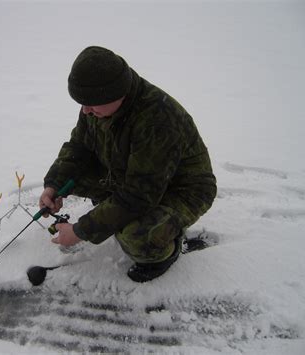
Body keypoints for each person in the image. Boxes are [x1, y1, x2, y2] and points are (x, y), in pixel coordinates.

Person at [39, 46, 217, 283]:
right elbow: (79, 146)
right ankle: (112, 209)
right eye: (82, 103)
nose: (85, 111)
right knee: (74, 179)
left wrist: (80, 231)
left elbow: (139, 196)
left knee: (136, 237)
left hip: (182, 189)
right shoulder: (97, 105)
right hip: (130, 175)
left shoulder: (157, 120)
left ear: (116, 93)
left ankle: (167, 252)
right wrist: (54, 186)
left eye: (91, 104)